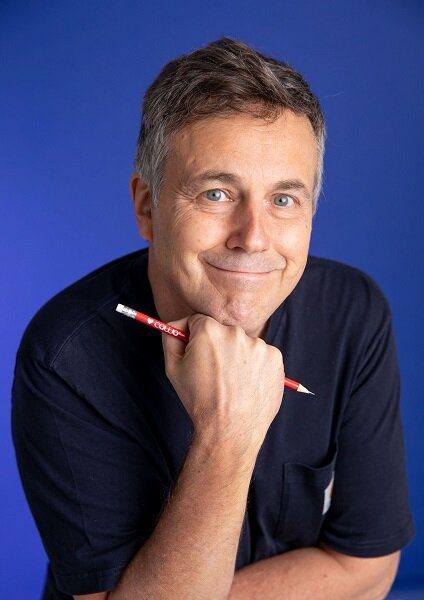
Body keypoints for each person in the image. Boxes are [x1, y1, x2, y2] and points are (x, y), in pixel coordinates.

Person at [11, 37, 415, 600]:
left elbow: (369, 569)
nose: (253, 238)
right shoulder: (65, 357)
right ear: (147, 206)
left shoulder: (353, 312)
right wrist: (228, 432)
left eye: (283, 200)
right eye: (217, 194)